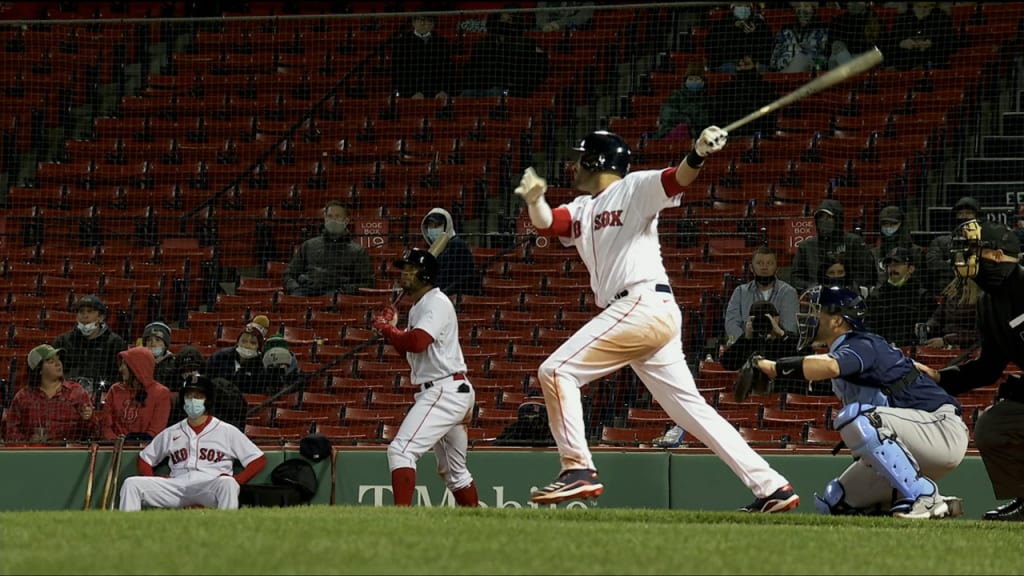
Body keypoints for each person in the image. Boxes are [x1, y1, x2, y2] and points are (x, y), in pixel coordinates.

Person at [515, 127, 800, 512]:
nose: (572, 163)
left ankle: (578, 469)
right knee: (691, 411)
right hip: (644, 313)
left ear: (596, 161)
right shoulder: (582, 207)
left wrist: (697, 153)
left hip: (642, 303)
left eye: (580, 156)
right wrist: (536, 200)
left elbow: (675, 178)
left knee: (556, 371)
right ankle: (773, 487)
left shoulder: (634, 186)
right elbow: (549, 223)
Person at [753, 285, 966, 518]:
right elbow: (823, 365)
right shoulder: (847, 349)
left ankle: (925, 497)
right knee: (836, 500)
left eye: (816, 312)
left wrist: (774, 368)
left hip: (940, 429)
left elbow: (831, 366)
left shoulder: (860, 343)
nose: (810, 318)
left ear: (836, 321)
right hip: (913, 443)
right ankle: (913, 506)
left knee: (859, 418)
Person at [915, 219, 1024, 521]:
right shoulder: (989, 304)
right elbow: (988, 369)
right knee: (994, 426)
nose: (965, 258)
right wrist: (939, 378)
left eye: (974, 250)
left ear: (998, 256)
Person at [371, 249, 479, 507]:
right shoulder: (420, 306)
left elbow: (418, 342)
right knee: (454, 472)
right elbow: (409, 348)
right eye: (403, 268)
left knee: (401, 451)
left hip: (444, 390)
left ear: (427, 274)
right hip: (448, 389)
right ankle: (477, 524)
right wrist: (392, 330)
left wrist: (389, 330)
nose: (404, 273)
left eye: (411, 269)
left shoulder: (436, 302)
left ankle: (401, 520)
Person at [119, 375, 267, 511]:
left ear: (207, 400)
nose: (191, 400)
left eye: (198, 396)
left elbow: (258, 460)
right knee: (131, 484)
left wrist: (237, 480)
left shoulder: (226, 431)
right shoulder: (172, 432)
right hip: (177, 486)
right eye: (188, 396)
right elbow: (144, 459)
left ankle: (225, 535)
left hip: (209, 487)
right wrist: (152, 479)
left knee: (228, 484)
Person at [4, 345, 100, 442]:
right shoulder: (23, 397)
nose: (58, 364)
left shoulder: (77, 392)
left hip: (69, 453)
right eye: (51, 361)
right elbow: (11, 432)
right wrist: (29, 441)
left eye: (58, 360)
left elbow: (94, 433)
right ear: (39, 369)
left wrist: (88, 418)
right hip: (34, 453)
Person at [283, 201, 375, 296]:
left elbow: (368, 282)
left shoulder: (357, 251)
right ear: (325, 219)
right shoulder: (308, 246)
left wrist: (344, 290)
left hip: (337, 297)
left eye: (337, 216)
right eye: (330, 216)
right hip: (306, 292)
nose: (333, 220)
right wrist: (295, 289)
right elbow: (289, 274)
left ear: (346, 221)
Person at [721, 300, 810, 395]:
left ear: (776, 318)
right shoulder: (750, 342)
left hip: (784, 397)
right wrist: (745, 339)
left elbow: (807, 358)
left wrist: (781, 334)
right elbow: (727, 364)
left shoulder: (789, 339)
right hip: (754, 398)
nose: (763, 323)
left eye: (766, 319)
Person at [791, 199, 877, 293]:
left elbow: (866, 274)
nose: (824, 221)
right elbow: (795, 279)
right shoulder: (806, 246)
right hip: (816, 299)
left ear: (838, 219)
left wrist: (848, 288)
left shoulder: (854, 242)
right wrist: (814, 288)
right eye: (821, 217)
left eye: (828, 217)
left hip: (849, 297)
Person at [460, 10, 549, 98]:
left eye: (509, 20)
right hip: (482, 87)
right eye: (504, 20)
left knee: (496, 92)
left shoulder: (525, 44)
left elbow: (537, 69)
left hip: (506, 89)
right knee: (466, 93)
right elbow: (474, 69)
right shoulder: (481, 45)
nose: (506, 24)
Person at [51, 294, 127, 395]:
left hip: (103, 397)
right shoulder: (62, 342)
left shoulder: (116, 343)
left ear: (101, 317)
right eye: (81, 312)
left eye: (90, 311)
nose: (85, 316)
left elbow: (120, 376)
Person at [724, 246, 799, 345]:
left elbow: (791, 328)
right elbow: (731, 324)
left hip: (778, 348)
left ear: (777, 268)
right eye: (759, 263)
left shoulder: (789, 293)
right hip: (746, 348)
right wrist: (745, 339)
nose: (764, 267)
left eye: (770, 263)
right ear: (751, 268)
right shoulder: (740, 292)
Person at [865, 247, 935, 346]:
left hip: (910, 349)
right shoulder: (877, 295)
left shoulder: (923, 296)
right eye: (889, 265)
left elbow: (924, 329)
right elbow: (869, 326)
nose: (892, 268)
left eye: (897, 264)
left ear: (911, 268)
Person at [101, 347, 172, 442]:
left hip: (146, 450)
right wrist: (115, 441)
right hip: (114, 449)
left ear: (137, 367)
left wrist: (131, 442)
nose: (120, 369)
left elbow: (155, 431)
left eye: (124, 365)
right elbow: (106, 426)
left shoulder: (161, 393)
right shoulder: (115, 390)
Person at [389, 14, 453, 100]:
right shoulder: (401, 43)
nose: (424, 23)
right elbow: (398, 72)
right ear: (413, 22)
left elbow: (446, 69)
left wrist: (443, 91)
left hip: (436, 91)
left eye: (429, 20)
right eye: (421, 20)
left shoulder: (442, 43)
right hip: (409, 92)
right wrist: (411, 92)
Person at [926, 196, 981, 297]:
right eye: (960, 214)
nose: (963, 217)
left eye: (968, 213)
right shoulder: (940, 241)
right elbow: (932, 264)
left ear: (977, 217)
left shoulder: (984, 241)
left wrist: (950, 262)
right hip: (946, 292)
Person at [420, 207, 481, 296]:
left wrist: (440, 295)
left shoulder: (457, 246)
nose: (433, 229)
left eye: (437, 226)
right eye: (431, 226)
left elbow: (462, 279)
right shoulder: (431, 250)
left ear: (447, 226)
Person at [708, 62, 780, 137]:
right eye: (739, 65)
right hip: (732, 133)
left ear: (756, 66)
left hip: (757, 131)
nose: (742, 67)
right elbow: (718, 114)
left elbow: (770, 116)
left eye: (746, 64)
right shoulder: (726, 88)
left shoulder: (766, 88)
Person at [705, 2, 774, 73]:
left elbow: (767, 48)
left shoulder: (760, 24)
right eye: (739, 5)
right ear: (733, 8)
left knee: (763, 68)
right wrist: (733, 29)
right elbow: (713, 48)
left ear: (751, 8)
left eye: (747, 6)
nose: (743, 9)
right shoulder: (722, 24)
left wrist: (755, 33)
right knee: (729, 68)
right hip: (730, 62)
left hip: (754, 62)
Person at [885, 1, 955, 70]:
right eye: (918, 7)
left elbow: (952, 45)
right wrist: (901, 44)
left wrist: (933, 44)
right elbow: (890, 45)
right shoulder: (902, 18)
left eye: (927, 7)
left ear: (933, 6)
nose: (922, 10)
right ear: (913, 6)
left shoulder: (942, 18)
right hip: (906, 64)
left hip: (934, 63)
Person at [654, 62, 710, 141]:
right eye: (690, 79)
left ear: (703, 81)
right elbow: (667, 114)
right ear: (685, 80)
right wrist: (686, 120)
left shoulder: (709, 100)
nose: (693, 82)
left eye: (697, 79)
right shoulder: (676, 96)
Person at [769, 2, 830, 73]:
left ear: (814, 9)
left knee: (800, 58)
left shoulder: (823, 31)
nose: (802, 10)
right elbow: (773, 62)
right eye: (798, 6)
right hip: (782, 75)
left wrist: (803, 52)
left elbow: (825, 61)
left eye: (806, 6)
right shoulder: (784, 32)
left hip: (812, 74)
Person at [870, 205, 922, 287]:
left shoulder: (916, 252)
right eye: (885, 224)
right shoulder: (874, 253)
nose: (888, 228)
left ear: (902, 225)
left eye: (892, 224)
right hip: (881, 297)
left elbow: (919, 282)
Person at [921, 277, 979, 349]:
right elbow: (937, 318)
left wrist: (946, 341)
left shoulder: (980, 302)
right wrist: (927, 327)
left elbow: (978, 335)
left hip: (966, 349)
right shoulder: (951, 296)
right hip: (945, 342)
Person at [828, 1, 885, 69]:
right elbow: (831, 42)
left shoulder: (875, 20)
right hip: (844, 57)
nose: (855, 4)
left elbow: (882, 46)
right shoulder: (839, 19)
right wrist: (837, 44)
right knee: (837, 52)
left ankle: (851, 74)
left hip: (865, 58)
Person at [141, 321, 177, 392]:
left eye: (158, 340)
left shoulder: (174, 365)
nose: (153, 344)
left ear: (165, 344)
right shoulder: (139, 363)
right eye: (149, 340)